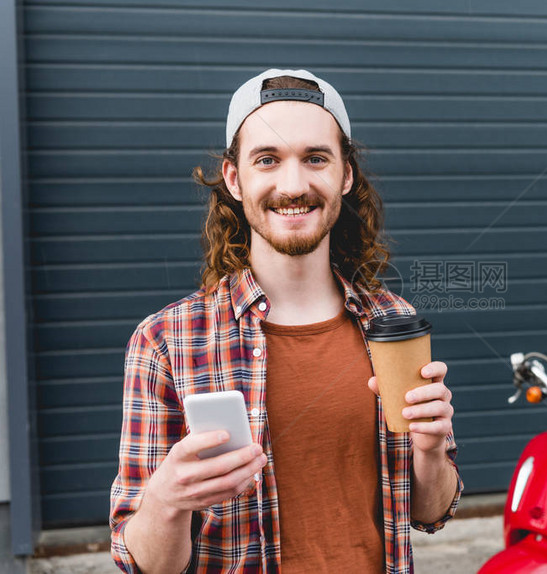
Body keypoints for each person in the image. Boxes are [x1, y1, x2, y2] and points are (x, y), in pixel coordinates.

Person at [109, 68, 462, 573]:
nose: (293, 185)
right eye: (268, 160)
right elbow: (141, 564)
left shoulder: (393, 320)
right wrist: (165, 501)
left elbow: (430, 512)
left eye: (315, 158)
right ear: (235, 178)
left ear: (345, 175)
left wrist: (430, 452)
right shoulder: (166, 341)